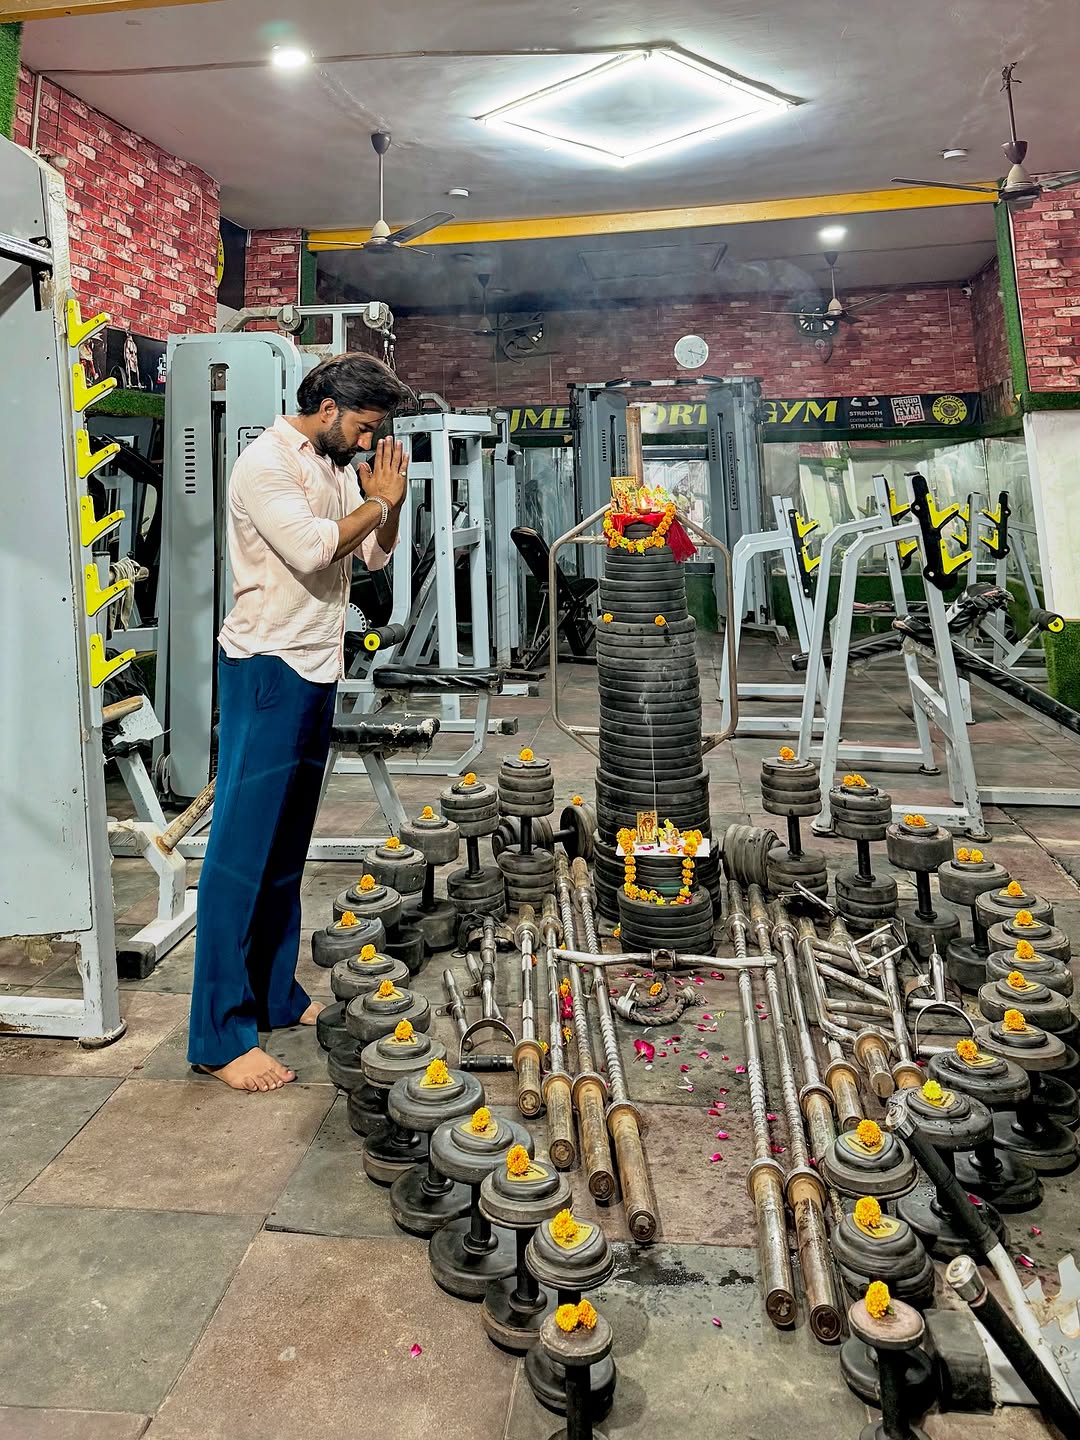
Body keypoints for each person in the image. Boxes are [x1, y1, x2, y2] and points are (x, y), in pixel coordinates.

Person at [188, 352, 413, 1092]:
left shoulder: (333, 464)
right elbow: (314, 549)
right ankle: (219, 1036)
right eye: (363, 427)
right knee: (238, 857)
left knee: (286, 850)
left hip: (317, 667)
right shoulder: (267, 465)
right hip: (267, 669)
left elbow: (370, 557)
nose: (366, 441)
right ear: (327, 408)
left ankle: (272, 995)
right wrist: (376, 502)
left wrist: (390, 504)